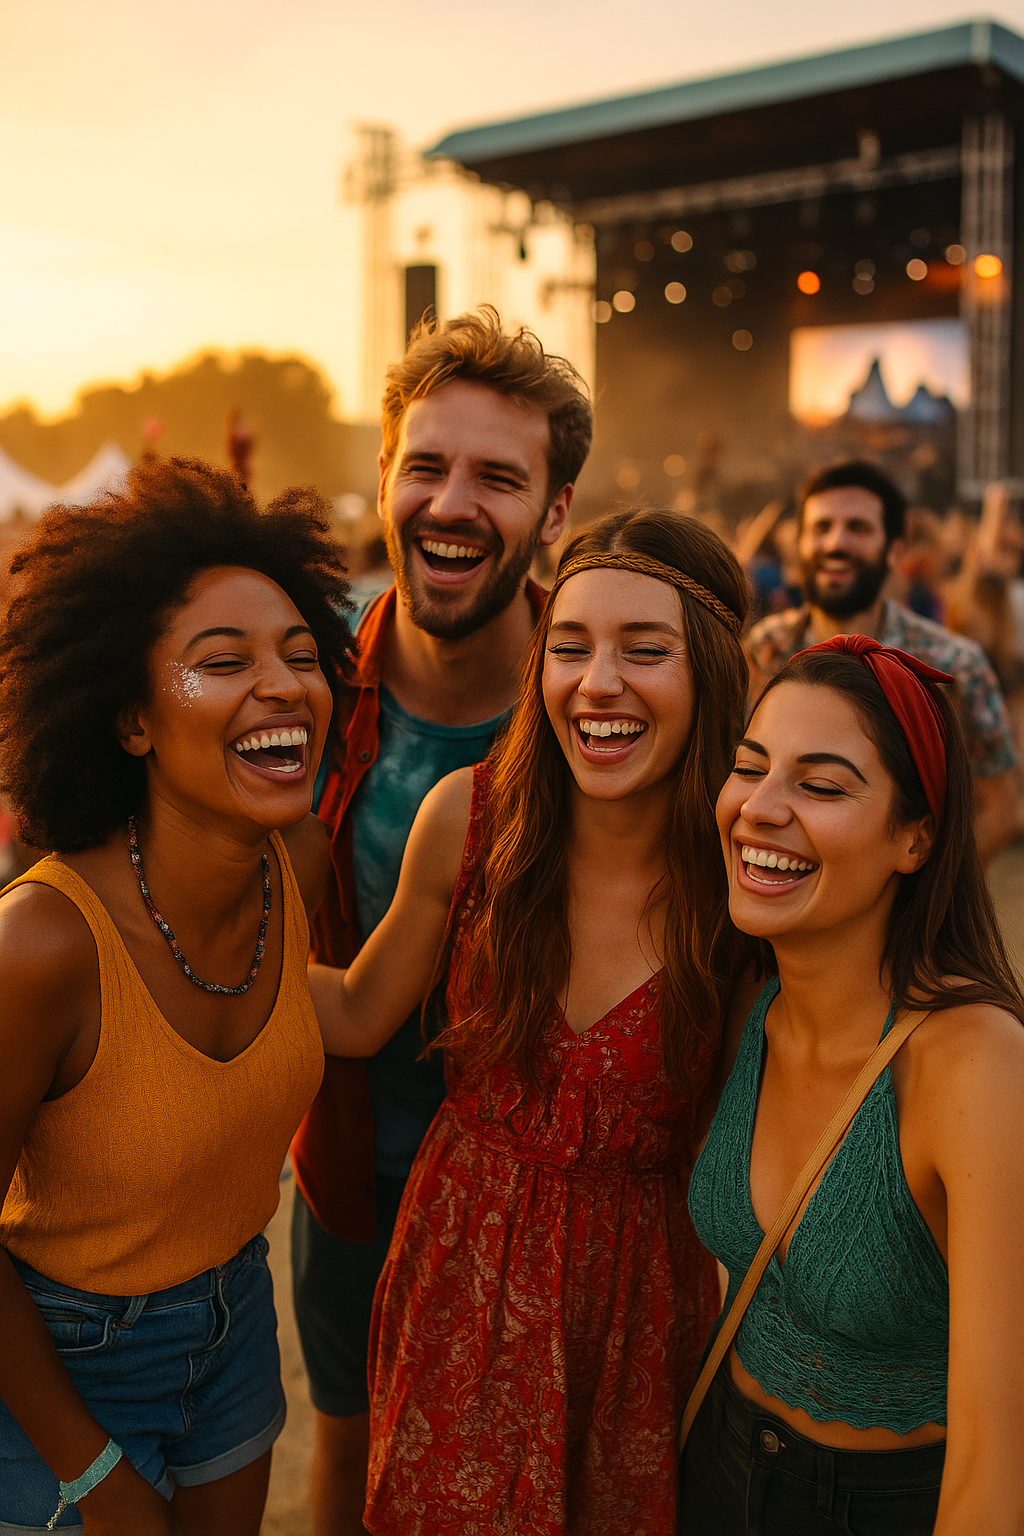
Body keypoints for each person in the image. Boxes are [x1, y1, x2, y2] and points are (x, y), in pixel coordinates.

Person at [305, 505, 750, 1534]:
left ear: (713, 676)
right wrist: (172, 934)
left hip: (639, 1304)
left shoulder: (741, 879)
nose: (598, 683)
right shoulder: (470, 817)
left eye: (646, 650)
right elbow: (358, 1012)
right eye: (571, 646)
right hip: (461, 1270)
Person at [0, 458, 352, 1534]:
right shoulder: (40, 946)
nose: (283, 684)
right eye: (224, 661)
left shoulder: (299, 863)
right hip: (56, 1365)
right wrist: (88, 1471)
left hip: (235, 1328)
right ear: (132, 721)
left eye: (302, 654)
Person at [290, 307, 592, 1534]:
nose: (451, 505)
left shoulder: (609, 705)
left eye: (497, 478)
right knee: (350, 1454)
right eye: (425, 466)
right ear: (384, 477)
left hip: (557, 1200)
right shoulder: (302, 678)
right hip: (355, 1172)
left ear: (555, 512)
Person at [679, 635, 1024, 1534]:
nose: (760, 808)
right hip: (713, 1466)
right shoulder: (748, 1000)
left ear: (915, 837)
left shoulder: (977, 1065)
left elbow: (996, 1467)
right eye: (749, 767)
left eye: (822, 787)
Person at [744, 460, 1019, 863]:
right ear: (799, 544)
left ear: (895, 550)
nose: (836, 543)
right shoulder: (765, 648)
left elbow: (999, 806)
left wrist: (929, 888)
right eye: (821, 527)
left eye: (858, 528)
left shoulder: (953, 666)